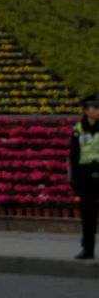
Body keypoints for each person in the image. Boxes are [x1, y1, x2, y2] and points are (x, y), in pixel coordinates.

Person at [69, 91, 99, 260]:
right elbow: (73, 156)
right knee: (88, 216)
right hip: (86, 178)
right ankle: (88, 249)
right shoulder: (78, 130)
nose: (98, 111)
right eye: (96, 108)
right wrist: (74, 179)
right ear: (87, 110)